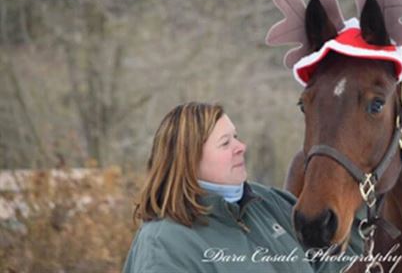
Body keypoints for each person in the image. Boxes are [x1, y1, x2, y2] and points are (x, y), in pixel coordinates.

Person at [123, 102, 361, 273]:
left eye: (236, 137)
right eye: (225, 143)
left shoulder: (266, 204)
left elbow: (330, 262)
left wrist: (359, 194)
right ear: (189, 159)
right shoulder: (164, 244)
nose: (241, 147)